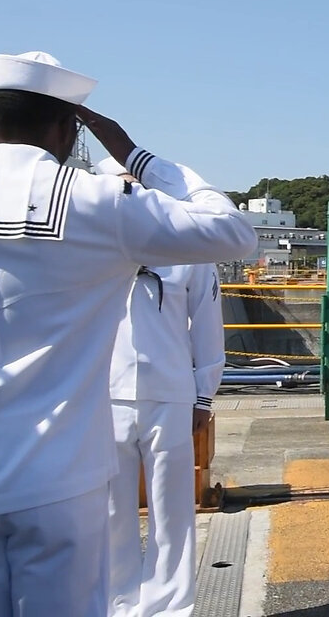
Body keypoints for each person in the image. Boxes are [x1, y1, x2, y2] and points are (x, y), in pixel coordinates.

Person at [0, 50, 258, 617]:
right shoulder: (100, 205)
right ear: (71, 129)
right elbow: (234, 232)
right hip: (59, 476)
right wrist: (140, 159)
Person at [96, 158, 227, 616]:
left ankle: (171, 607)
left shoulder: (187, 248)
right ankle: (119, 604)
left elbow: (207, 325)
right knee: (111, 512)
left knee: (172, 511)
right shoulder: (91, 246)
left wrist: (203, 392)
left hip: (170, 391)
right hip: (102, 392)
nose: (130, 193)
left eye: (137, 184)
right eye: (121, 186)